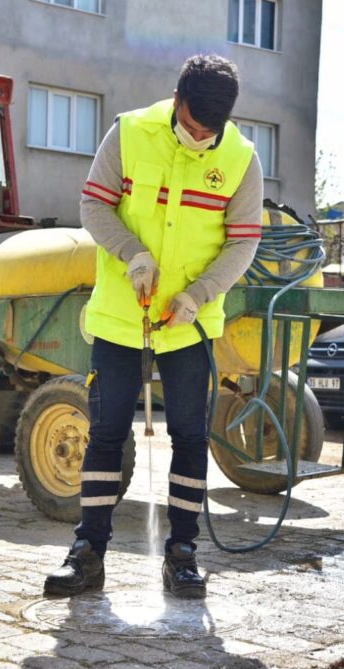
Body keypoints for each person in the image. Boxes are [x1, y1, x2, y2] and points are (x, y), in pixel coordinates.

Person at [43, 54, 263, 599]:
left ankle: (183, 554)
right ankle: (88, 553)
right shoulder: (130, 131)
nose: (196, 136)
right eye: (189, 124)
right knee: (106, 435)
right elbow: (94, 206)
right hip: (122, 315)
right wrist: (132, 255)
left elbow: (243, 241)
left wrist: (198, 295)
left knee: (190, 437)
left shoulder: (240, 159)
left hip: (188, 324)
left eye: (207, 132)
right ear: (177, 97)